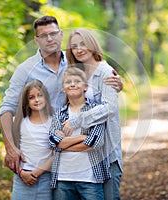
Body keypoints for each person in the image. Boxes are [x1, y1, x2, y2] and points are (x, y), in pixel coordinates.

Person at [0, 15, 123, 175]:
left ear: (61, 34)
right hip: (43, 151)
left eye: (53, 33)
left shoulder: (75, 61)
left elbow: (97, 83)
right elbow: (7, 108)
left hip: (85, 150)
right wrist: (10, 147)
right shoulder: (25, 69)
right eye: (43, 36)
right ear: (36, 40)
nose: (49, 39)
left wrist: (116, 85)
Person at [64, 28, 122, 200]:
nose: (79, 49)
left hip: (106, 153)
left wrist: (77, 120)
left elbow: (109, 108)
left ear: (92, 44)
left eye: (83, 44)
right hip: (84, 154)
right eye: (74, 46)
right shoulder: (77, 73)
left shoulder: (105, 71)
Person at [49, 67, 110, 200]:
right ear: (63, 89)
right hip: (62, 178)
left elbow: (95, 142)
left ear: (85, 87)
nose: (72, 84)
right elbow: (52, 142)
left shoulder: (95, 111)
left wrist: (62, 144)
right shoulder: (60, 113)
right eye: (68, 82)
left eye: (77, 81)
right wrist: (82, 137)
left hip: (90, 178)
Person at [11, 80, 53, 199]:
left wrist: (38, 172)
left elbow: (57, 153)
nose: (37, 99)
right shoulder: (19, 122)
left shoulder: (53, 122)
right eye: (31, 97)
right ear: (26, 101)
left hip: (46, 177)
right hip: (22, 176)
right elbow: (12, 153)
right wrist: (21, 173)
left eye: (40, 95)